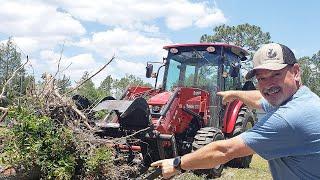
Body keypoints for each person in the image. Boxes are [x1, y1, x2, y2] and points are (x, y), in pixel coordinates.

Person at [151, 43, 320, 179]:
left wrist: (177, 164)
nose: (268, 84)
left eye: (276, 74)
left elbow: (224, 151)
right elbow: (262, 98)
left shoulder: (287, 119)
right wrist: (235, 93)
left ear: (296, 72)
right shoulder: (302, 99)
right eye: (261, 78)